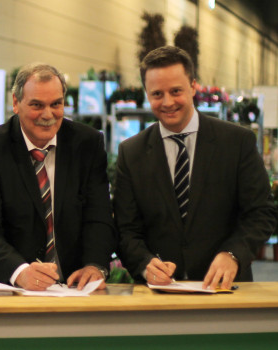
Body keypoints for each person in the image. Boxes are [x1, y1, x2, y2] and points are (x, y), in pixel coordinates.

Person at [114, 46, 277, 290]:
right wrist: (145, 263)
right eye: (157, 94)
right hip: (158, 296)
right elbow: (126, 230)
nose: (168, 102)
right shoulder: (131, 152)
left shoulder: (236, 142)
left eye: (176, 91)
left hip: (226, 291)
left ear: (193, 87)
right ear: (147, 94)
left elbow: (261, 212)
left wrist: (233, 254)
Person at [0, 63, 116, 291]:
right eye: (37, 105)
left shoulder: (87, 144)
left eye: (56, 104)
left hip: (72, 289)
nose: (48, 115)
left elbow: (99, 217)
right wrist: (20, 271)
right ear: (16, 103)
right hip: (4, 288)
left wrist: (95, 265)